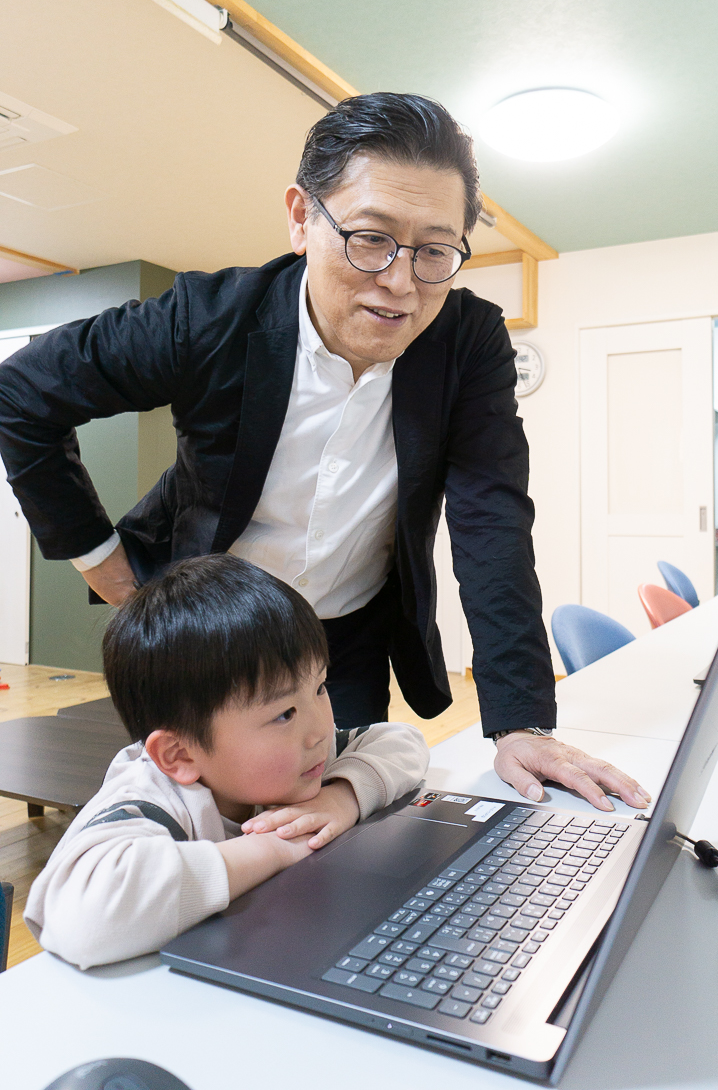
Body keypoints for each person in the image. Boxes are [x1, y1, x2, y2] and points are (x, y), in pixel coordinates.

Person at [0, 92, 649, 814]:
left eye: (435, 251)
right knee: (193, 817)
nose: (400, 283)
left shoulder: (467, 344)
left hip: (345, 639)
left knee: (337, 820)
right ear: (301, 217)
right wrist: (104, 563)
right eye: (371, 238)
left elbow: (491, 519)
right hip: (207, 629)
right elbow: (20, 393)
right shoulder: (209, 319)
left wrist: (521, 723)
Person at [24, 554, 429, 969]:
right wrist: (271, 848)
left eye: (320, 688)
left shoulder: (303, 756)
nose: (320, 730)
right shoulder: (151, 799)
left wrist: (341, 799)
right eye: (284, 713)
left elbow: (402, 742)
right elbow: (81, 918)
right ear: (179, 755)